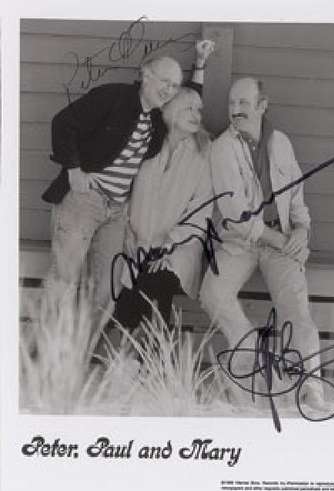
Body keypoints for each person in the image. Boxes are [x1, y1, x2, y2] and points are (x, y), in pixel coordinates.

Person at [42, 41, 215, 330]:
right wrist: (73, 169)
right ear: (145, 75)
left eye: (174, 85)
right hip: (85, 201)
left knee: (107, 289)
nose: (169, 90)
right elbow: (62, 123)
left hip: (117, 211)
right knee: (65, 278)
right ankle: (47, 362)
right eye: (164, 82)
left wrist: (199, 64)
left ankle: (78, 356)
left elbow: (188, 102)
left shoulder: (158, 120)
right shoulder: (112, 97)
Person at [199, 77, 325, 409]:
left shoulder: (280, 142)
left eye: (243, 103)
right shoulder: (221, 148)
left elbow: (297, 194)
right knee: (212, 293)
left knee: (296, 307)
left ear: (262, 104)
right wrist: (282, 240)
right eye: (231, 104)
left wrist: (301, 231)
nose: (235, 110)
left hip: (281, 238)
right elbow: (235, 213)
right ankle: (252, 351)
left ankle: (311, 387)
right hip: (239, 243)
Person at [111, 86, 213, 338]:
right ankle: (144, 360)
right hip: (134, 240)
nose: (196, 114)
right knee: (135, 277)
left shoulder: (204, 152)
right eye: (188, 108)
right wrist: (129, 238)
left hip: (178, 246)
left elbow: (202, 208)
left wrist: (169, 244)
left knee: (157, 277)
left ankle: (136, 357)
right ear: (169, 110)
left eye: (198, 109)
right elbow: (123, 192)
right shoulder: (147, 144)